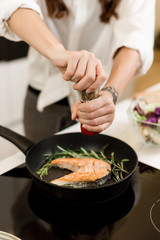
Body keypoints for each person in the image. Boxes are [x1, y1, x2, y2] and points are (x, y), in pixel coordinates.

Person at [0, 0, 155, 142]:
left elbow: (136, 37)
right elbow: (11, 4)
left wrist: (110, 94)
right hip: (43, 102)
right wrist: (58, 53)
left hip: (100, 107)